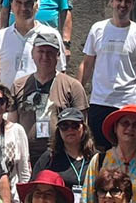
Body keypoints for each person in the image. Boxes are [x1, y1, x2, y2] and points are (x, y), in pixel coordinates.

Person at [80, 0, 136, 150]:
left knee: (130, 149)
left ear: (133, 4)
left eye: (127, 1)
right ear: (111, 2)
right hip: (100, 101)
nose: (122, 5)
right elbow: (87, 64)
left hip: (128, 102)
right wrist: (77, 93)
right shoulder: (97, 29)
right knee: (99, 151)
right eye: (119, 0)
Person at [11, 25, 88, 165]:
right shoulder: (18, 86)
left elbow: (83, 127)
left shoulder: (73, 86)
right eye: (41, 51)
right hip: (26, 157)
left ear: (58, 55)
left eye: (50, 52)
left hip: (61, 156)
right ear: (32, 53)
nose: (45, 56)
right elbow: (11, 125)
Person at [33, 106, 96, 203]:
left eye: (75, 125)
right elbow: (33, 189)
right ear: (59, 131)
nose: (70, 130)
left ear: (84, 127)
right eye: (64, 126)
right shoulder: (49, 158)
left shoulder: (95, 158)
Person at [0, 0, 42, 87]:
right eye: (18, 3)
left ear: (37, 6)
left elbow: (60, 71)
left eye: (28, 3)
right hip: (7, 99)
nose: (23, 8)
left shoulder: (49, 35)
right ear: (12, 7)